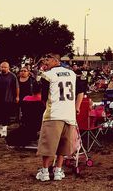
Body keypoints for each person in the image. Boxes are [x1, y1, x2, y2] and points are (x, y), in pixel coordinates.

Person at [35, 53, 84, 182]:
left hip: (54, 114)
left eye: (48, 59)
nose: (45, 61)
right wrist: (76, 107)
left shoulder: (48, 75)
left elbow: (44, 97)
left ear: (56, 60)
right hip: (69, 114)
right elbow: (81, 91)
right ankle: (58, 170)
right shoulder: (72, 74)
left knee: (48, 145)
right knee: (63, 144)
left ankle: (45, 171)